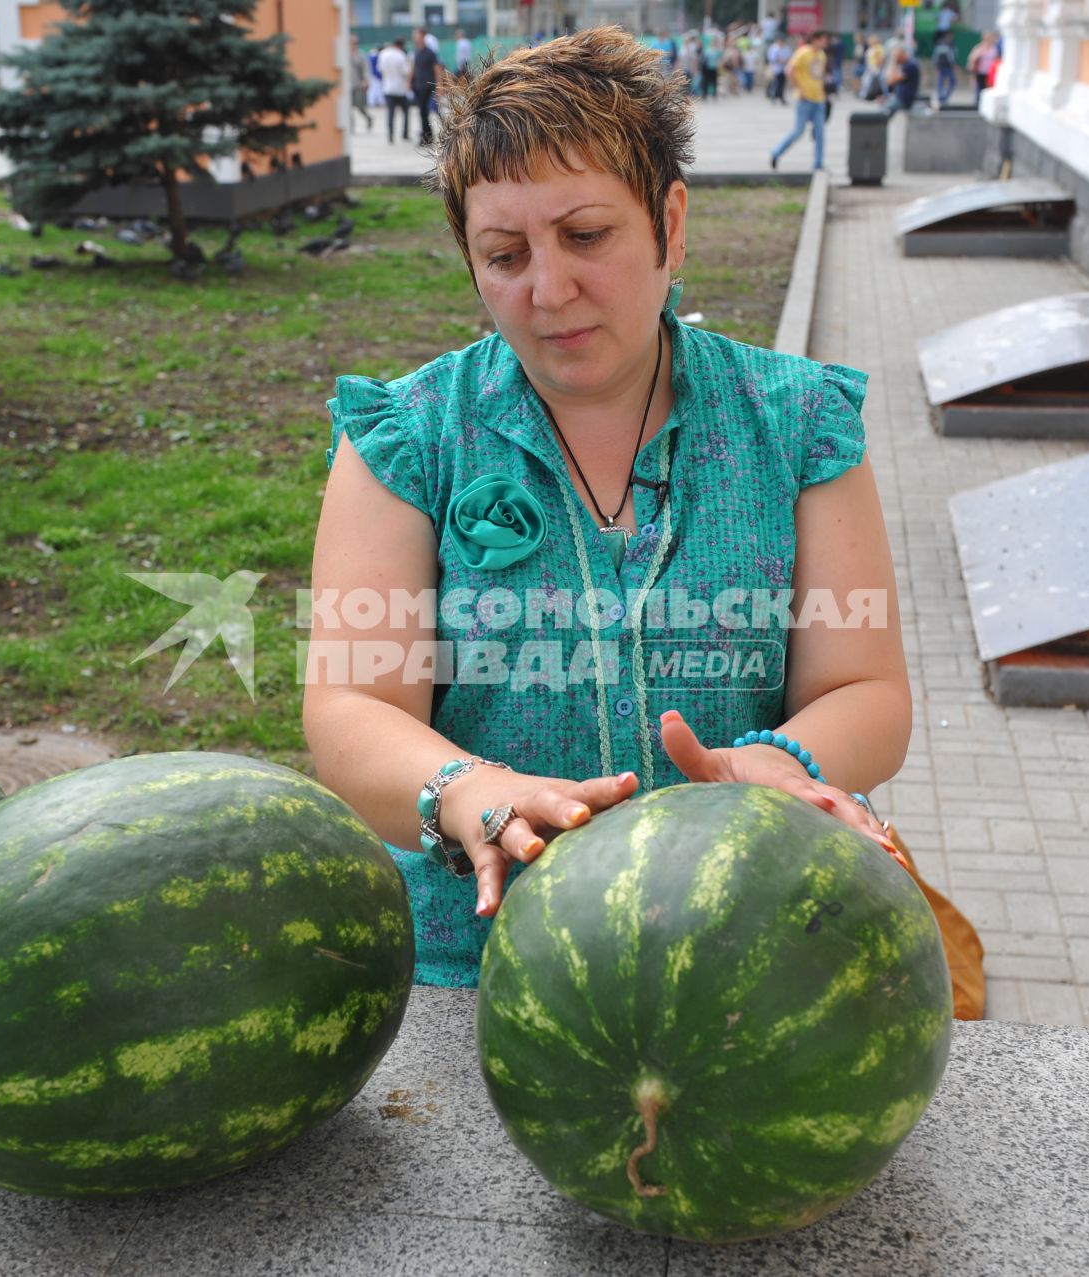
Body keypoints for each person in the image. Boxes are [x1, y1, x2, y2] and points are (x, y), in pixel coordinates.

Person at [306, 28, 982, 1018]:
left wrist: (759, 771)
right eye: (504, 254)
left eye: (586, 236)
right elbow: (352, 711)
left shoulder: (794, 423)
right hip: (474, 968)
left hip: (746, 952)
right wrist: (468, 790)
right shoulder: (409, 439)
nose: (548, 290)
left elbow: (865, 690)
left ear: (669, 221)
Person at [769, 28, 831, 172]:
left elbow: (820, 76)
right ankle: (776, 152)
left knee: (820, 134)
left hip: (819, 99)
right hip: (804, 99)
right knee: (798, 131)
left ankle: (818, 164)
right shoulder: (803, 53)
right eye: (823, 39)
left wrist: (823, 93)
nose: (825, 42)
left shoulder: (821, 55)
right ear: (816, 39)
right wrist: (799, 89)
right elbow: (789, 70)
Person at [378, 38, 414, 144]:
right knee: (406, 111)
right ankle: (405, 133)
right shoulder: (401, 56)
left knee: (390, 113)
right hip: (400, 89)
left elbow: (380, 69)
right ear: (402, 45)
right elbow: (406, 72)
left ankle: (390, 135)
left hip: (387, 88)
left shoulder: (383, 54)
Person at [411, 28, 442, 145]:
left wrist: (439, 86)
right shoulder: (416, 52)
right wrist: (409, 81)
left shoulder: (430, 53)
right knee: (422, 112)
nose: (415, 38)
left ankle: (427, 136)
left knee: (425, 111)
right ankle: (427, 135)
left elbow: (437, 69)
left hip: (428, 85)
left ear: (423, 36)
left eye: (417, 35)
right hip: (418, 85)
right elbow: (414, 67)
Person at [884, 42, 921, 116]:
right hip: (899, 98)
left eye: (897, 55)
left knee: (883, 113)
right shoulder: (905, 65)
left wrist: (894, 61)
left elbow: (891, 80)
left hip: (904, 100)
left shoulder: (910, 65)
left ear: (902, 54)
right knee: (883, 107)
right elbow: (889, 82)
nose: (897, 58)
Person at [350, 37, 376, 133]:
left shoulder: (360, 55)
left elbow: (366, 69)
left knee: (360, 107)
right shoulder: (345, 54)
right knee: (348, 107)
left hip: (358, 84)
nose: (352, 45)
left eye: (354, 43)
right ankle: (351, 128)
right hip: (347, 85)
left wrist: (365, 80)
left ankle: (369, 118)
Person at [969, 29, 1001, 107]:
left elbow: (997, 59)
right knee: (980, 88)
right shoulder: (979, 47)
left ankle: (986, 105)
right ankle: (978, 105)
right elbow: (972, 58)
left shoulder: (995, 48)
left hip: (991, 72)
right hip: (981, 71)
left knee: (989, 89)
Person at [932, 30, 958, 108]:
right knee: (952, 82)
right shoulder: (950, 45)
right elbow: (951, 57)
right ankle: (944, 98)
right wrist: (953, 65)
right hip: (947, 67)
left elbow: (935, 56)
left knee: (940, 82)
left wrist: (935, 65)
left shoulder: (939, 44)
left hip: (940, 66)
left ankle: (941, 97)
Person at [765, 33, 790, 105]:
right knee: (775, 84)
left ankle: (781, 97)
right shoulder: (773, 48)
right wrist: (780, 60)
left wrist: (785, 60)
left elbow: (790, 56)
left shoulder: (786, 48)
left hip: (784, 68)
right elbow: (772, 58)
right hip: (776, 68)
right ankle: (773, 97)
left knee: (782, 84)